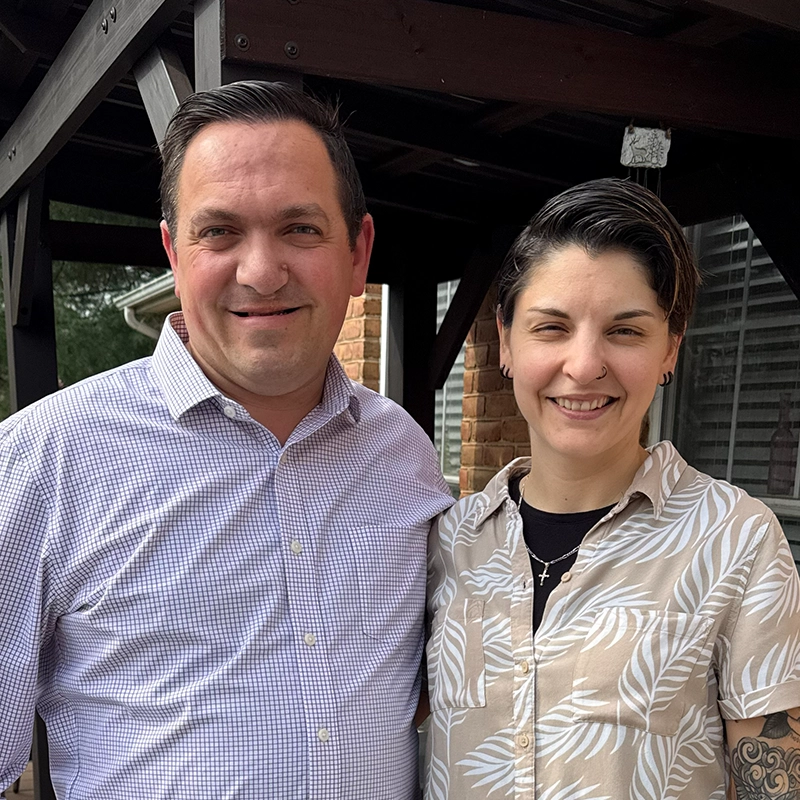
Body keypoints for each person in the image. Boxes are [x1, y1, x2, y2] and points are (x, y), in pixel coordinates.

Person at [0, 81, 453, 799]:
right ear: (174, 253)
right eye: (220, 232)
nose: (261, 271)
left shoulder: (402, 454)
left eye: (301, 229)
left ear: (358, 250)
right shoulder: (44, 458)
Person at [424, 178, 800, 799]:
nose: (584, 364)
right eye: (551, 327)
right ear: (506, 342)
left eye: (625, 331)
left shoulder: (736, 540)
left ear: (670, 349)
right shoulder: (450, 539)